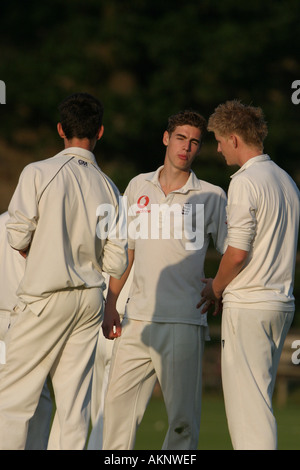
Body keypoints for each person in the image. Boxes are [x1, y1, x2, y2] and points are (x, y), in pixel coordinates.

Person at [0, 92, 128, 450]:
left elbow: (17, 234)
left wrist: (44, 253)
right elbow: (118, 261)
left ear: (61, 129)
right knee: (74, 408)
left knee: (13, 400)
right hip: (89, 301)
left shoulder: (38, 172)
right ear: (99, 132)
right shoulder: (110, 188)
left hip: (45, 297)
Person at [102, 110, 228, 450]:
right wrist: (110, 303)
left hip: (184, 320)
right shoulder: (137, 185)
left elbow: (234, 250)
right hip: (136, 319)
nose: (186, 147)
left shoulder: (212, 195)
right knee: (115, 414)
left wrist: (218, 286)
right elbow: (127, 252)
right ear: (166, 138)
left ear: (199, 148)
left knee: (183, 422)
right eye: (180, 138)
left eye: (194, 142)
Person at [199, 100, 300, 450]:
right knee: (260, 403)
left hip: (250, 306)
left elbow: (237, 253)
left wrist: (215, 287)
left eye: (219, 140)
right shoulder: (286, 181)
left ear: (235, 139)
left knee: (248, 412)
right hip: (280, 304)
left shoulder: (244, 182)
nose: (218, 148)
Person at [0, 211, 53, 450]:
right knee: (32, 399)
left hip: (8, 319)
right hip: (21, 319)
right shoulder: (42, 228)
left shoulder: (3, 221)